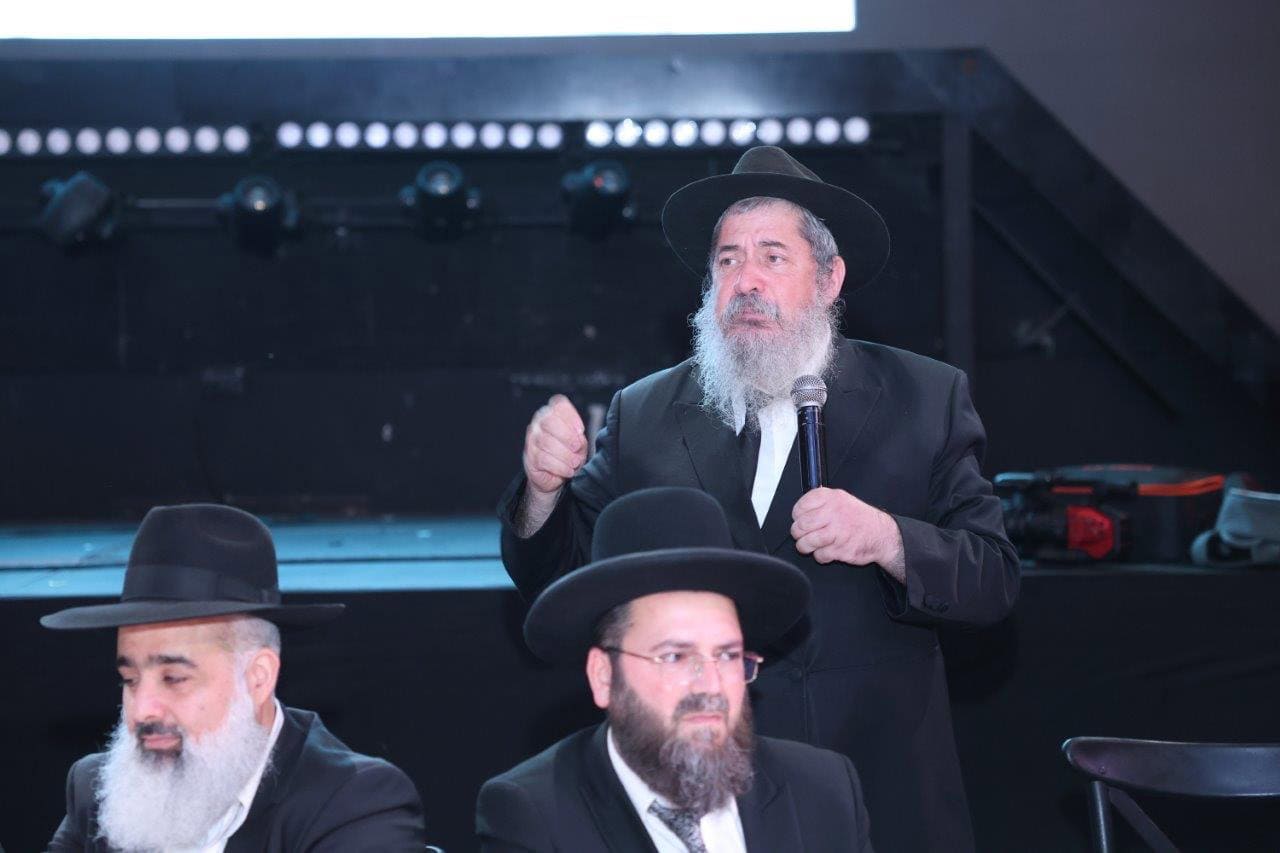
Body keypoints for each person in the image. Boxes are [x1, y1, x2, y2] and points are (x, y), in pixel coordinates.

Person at [499, 146, 1021, 852]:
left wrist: (888, 539)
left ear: (829, 278)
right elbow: (558, 572)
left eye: (773, 258)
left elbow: (994, 579)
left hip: (877, 787)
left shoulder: (925, 398)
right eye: (728, 260)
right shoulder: (646, 412)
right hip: (707, 796)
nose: (746, 281)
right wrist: (541, 490)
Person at [478, 487, 873, 852]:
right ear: (604, 675)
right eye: (675, 657)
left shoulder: (823, 791)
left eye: (727, 655)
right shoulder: (534, 818)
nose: (711, 685)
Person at [41, 503, 426, 852]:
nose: (142, 710)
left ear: (258, 678)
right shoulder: (99, 791)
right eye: (130, 680)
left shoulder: (354, 804)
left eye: (174, 678)